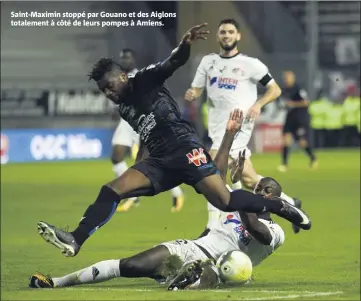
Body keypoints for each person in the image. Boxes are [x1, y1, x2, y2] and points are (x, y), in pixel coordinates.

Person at [36, 23, 311, 259]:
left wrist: (184, 45)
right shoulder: (125, 108)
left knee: (225, 201)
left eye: (110, 85)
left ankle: (279, 206)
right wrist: (138, 167)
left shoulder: (143, 80)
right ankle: (76, 239)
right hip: (158, 161)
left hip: (184, 148)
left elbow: (173, 62)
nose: (108, 92)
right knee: (111, 190)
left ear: (123, 76)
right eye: (103, 90)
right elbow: (146, 134)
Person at [29, 110, 286, 290]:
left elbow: (256, 229)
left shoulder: (276, 231)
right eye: (259, 188)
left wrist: (244, 198)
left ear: (275, 199)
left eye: (267, 191)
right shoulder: (237, 203)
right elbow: (215, 174)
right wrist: (229, 135)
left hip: (221, 267)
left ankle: (185, 280)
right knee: (130, 265)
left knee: (207, 273)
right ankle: (58, 281)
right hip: (192, 247)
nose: (261, 193)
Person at [185, 19, 302, 231]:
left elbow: (274, 90)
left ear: (238, 36)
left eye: (231, 32)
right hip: (217, 127)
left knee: (210, 171)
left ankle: (212, 226)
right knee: (249, 178)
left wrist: (258, 104)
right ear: (218, 36)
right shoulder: (208, 62)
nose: (226, 35)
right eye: (223, 32)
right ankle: (290, 204)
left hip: (239, 126)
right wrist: (193, 93)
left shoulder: (251, 64)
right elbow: (198, 88)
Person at [111, 49, 184, 213]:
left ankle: (177, 192)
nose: (124, 61)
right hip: (125, 123)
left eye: (127, 58)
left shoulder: (139, 76)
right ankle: (132, 195)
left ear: (133, 60)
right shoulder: (117, 79)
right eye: (122, 58)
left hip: (140, 121)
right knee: (116, 157)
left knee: (151, 161)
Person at [278, 71, 318, 172]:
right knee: (286, 140)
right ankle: (284, 164)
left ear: (293, 78)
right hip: (289, 118)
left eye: (288, 78)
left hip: (300, 119)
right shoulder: (284, 90)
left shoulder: (298, 89)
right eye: (285, 78)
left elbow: (306, 102)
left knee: (302, 143)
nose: (286, 80)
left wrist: (293, 104)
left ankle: (313, 159)